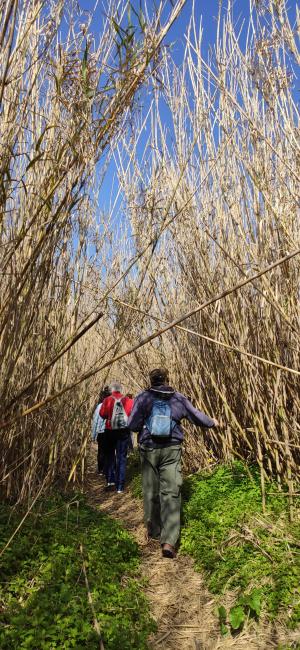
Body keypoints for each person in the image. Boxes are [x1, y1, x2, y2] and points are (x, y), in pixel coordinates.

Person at [128, 368, 219, 559]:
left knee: (150, 490)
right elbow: (196, 416)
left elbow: (133, 425)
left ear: (151, 381)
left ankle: (154, 532)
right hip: (172, 449)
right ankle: (169, 541)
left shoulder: (143, 398)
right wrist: (212, 422)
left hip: (149, 450)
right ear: (167, 379)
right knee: (171, 493)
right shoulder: (178, 398)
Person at [100, 382, 134, 493]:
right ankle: (120, 486)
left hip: (110, 430)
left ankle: (111, 481)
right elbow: (131, 414)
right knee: (121, 458)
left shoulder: (107, 400)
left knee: (110, 455)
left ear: (111, 390)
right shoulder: (129, 401)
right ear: (120, 390)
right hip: (123, 431)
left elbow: (102, 414)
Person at [91, 386, 110, 474]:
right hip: (111, 431)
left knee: (101, 451)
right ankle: (108, 469)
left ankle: (101, 469)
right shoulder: (113, 405)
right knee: (109, 451)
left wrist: (93, 435)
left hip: (101, 432)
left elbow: (95, 421)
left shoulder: (99, 406)